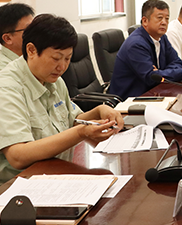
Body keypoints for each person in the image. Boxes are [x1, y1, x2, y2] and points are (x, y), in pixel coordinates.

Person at [0, 14, 124, 183]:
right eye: (56, 58)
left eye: (68, 58)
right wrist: (81, 132)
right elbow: (17, 156)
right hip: (19, 185)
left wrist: (98, 111)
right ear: (31, 50)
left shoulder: (54, 80)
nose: (63, 67)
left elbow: (73, 120)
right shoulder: (7, 88)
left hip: (57, 172)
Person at [111, 0, 182, 99]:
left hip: (155, 93)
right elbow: (151, 78)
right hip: (131, 99)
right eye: (159, 18)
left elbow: (177, 62)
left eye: (167, 18)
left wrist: (160, 72)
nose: (164, 22)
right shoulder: (136, 44)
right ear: (145, 21)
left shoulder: (162, 38)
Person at [0, 3, 35, 70]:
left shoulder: (32, 57)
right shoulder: (4, 69)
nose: (37, 32)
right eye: (29, 29)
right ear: (8, 38)